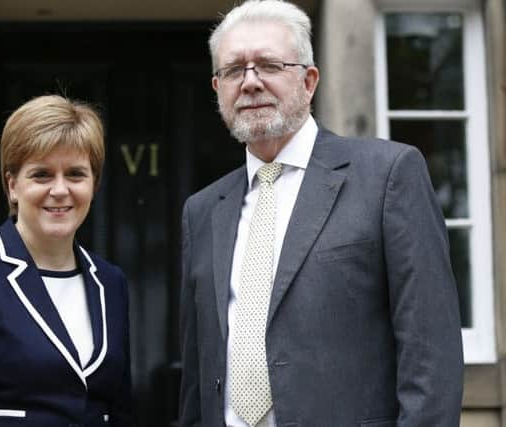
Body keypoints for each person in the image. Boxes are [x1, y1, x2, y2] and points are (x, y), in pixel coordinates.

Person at [178, 1, 464, 426]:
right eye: (235, 70)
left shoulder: (387, 176)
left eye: (269, 65)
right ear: (217, 87)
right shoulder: (202, 211)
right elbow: (198, 378)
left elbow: (431, 357)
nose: (250, 83)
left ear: (309, 81)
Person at [0, 95, 133, 426]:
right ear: (12, 185)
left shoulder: (110, 281)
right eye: (42, 175)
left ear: (94, 185)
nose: (60, 189)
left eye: (76, 174)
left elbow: (119, 412)